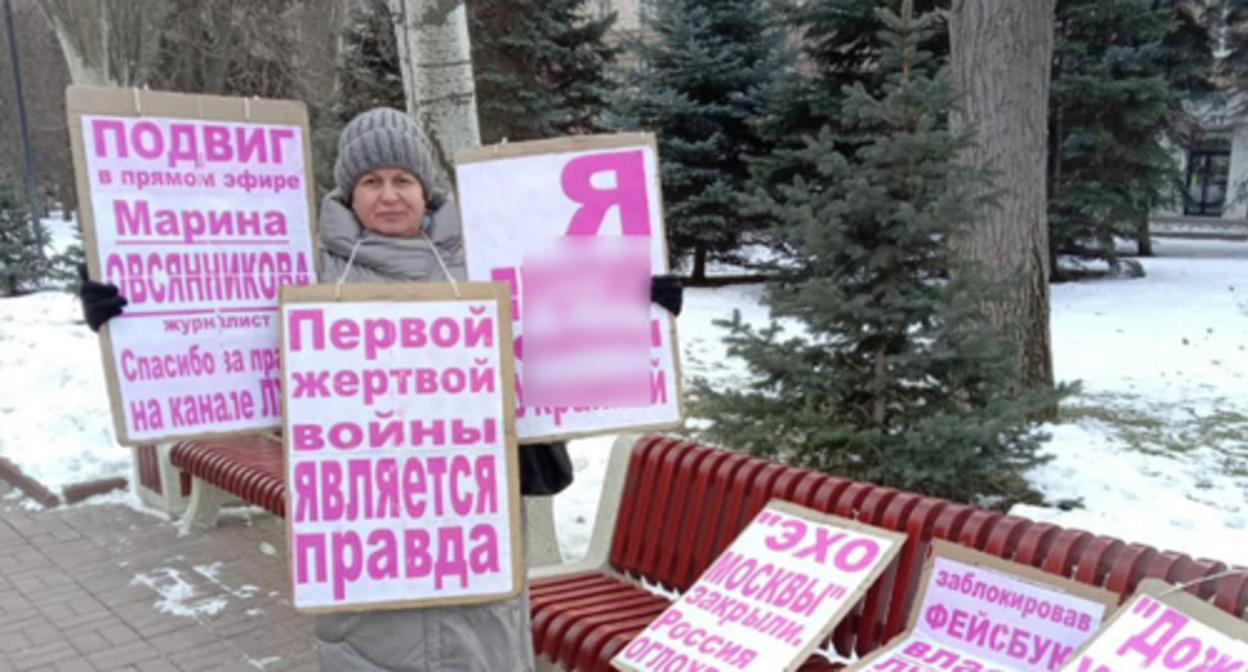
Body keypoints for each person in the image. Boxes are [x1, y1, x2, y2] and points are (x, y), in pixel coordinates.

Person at [80, 107, 682, 670]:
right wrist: (124, 314)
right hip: (366, 525)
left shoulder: (487, 262)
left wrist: (637, 303)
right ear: (349, 192)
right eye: (370, 181)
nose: (389, 194)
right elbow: (218, 330)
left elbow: (558, 329)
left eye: (402, 178)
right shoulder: (307, 274)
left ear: (427, 190)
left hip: (473, 516)